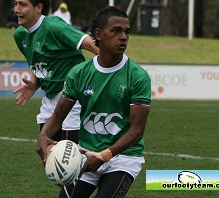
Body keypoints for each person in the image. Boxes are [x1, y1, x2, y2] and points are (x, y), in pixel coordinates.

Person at [37, 6, 151, 198]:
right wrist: (43, 136)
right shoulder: (79, 73)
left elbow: (136, 131)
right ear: (99, 34)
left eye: (127, 32)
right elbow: (57, 117)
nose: (123, 37)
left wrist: (105, 155)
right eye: (116, 30)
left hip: (123, 158)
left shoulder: (137, 76)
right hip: (87, 155)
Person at [13, 0, 98, 155]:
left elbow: (91, 43)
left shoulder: (54, 27)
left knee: (71, 161)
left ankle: (157, 179)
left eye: (23, 4)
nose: (17, 9)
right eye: (15, 3)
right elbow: (39, 63)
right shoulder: (20, 35)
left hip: (74, 98)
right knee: (48, 155)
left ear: (38, 8)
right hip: (51, 100)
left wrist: (116, 68)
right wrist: (34, 84)